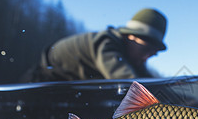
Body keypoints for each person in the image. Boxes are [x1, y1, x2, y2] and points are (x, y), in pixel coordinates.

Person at [22, 8, 167, 82]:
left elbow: (149, 82)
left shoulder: (132, 57)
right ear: (130, 36)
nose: (147, 57)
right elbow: (128, 81)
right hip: (40, 82)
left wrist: (185, 103)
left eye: (153, 53)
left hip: (73, 90)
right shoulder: (106, 43)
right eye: (146, 49)